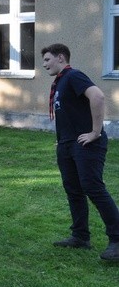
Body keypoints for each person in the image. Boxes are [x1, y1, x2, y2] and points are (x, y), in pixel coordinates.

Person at [41, 43, 119, 261]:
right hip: (67, 144)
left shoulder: (73, 76)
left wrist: (95, 131)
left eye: (47, 59)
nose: (44, 64)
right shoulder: (60, 82)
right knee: (73, 190)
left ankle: (117, 238)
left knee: (92, 187)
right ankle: (80, 236)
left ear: (60, 58)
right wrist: (62, 143)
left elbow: (98, 97)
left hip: (86, 144)